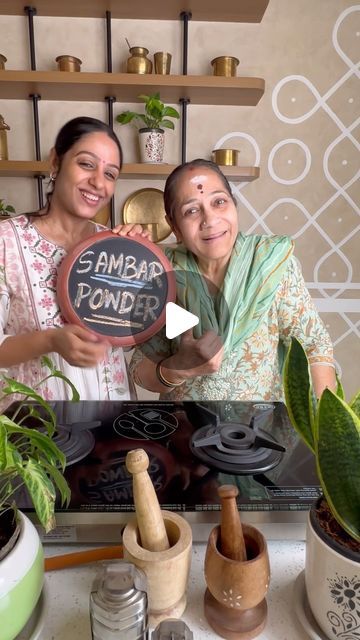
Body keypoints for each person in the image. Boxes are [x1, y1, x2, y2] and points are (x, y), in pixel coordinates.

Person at [129, 159, 336, 401]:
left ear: (234, 204)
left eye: (219, 202)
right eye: (191, 210)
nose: (210, 220)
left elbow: (314, 346)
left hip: (260, 432)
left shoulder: (270, 265)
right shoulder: (164, 274)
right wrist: (180, 368)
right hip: (185, 430)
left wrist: (324, 429)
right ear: (174, 225)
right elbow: (139, 368)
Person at [0, 116, 148, 409]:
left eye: (110, 173)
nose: (98, 182)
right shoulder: (6, 241)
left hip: (111, 422)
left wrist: (143, 259)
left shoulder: (116, 246)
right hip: (36, 428)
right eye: (87, 164)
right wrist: (51, 341)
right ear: (56, 162)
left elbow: (136, 333)